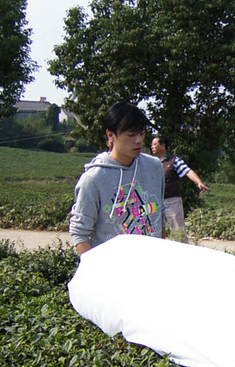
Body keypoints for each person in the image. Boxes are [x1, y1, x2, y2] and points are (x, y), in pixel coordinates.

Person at [69, 102, 165, 255]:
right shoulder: (93, 179)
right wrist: (95, 266)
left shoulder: (154, 167)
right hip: (112, 266)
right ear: (110, 134)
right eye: (131, 135)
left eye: (141, 133)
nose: (138, 140)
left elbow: (160, 215)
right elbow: (79, 232)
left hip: (152, 262)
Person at [150, 135, 209, 238]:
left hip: (172, 201)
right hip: (156, 202)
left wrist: (199, 182)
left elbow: (187, 171)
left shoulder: (174, 160)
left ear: (163, 146)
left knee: (178, 231)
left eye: (155, 144)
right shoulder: (152, 163)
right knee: (156, 231)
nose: (152, 147)